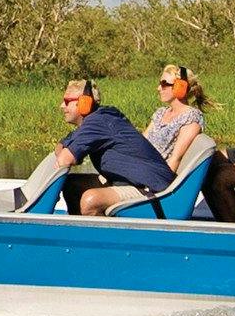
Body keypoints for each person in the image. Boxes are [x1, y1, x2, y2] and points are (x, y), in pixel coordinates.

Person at [46, 76, 175, 215]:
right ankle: (79, 230)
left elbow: (64, 160)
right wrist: (67, 151)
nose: (62, 106)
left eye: (67, 101)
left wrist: (68, 154)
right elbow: (61, 145)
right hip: (131, 182)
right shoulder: (98, 118)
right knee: (73, 184)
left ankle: (94, 236)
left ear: (84, 103)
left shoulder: (98, 122)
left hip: (152, 188)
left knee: (91, 200)